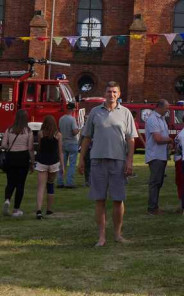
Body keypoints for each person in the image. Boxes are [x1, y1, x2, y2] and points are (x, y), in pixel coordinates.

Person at [78, 81, 138, 246]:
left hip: (118, 161)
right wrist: (81, 159)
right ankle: (102, 237)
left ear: (119, 95)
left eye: (114, 92)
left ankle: (118, 234)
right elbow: (87, 137)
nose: (111, 94)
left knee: (118, 199)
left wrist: (130, 161)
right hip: (97, 160)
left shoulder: (125, 113)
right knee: (100, 200)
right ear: (104, 94)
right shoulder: (95, 113)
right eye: (109, 91)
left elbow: (131, 139)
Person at [1, 109, 35, 218]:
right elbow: (30, 148)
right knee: (20, 184)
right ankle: (16, 209)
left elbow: (4, 145)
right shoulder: (28, 131)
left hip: (11, 157)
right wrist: (32, 162)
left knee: (10, 182)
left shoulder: (9, 129)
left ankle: (7, 200)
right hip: (23, 157)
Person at [145, 99, 173, 215]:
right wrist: (170, 139)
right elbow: (158, 138)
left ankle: (155, 206)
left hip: (161, 155)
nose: (168, 110)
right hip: (155, 155)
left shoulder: (161, 119)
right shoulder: (153, 119)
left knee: (158, 182)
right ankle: (152, 208)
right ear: (160, 107)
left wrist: (168, 143)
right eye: (166, 108)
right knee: (155, 182)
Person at [34, 115, 65, 219]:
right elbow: (60, 152)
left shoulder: (40, 134)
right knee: (50, 185)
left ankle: (38, 210)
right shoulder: (58, 135)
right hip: (53, 162)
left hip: (42, 161)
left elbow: (39, 148)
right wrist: (63, 166)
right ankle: (49, 209)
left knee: (41, 187)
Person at [57, 102, 80, 188]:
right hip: (72, 143)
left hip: (63, 142)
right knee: (72, 164)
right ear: (73, 109)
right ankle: (69, 182)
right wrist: (79, 130)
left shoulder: (61, 119)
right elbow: (74, 132)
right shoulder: (72, 119)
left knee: (62, 163)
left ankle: (60, 181)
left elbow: (60, 129)